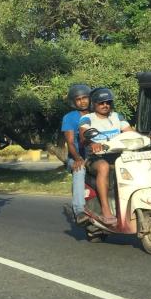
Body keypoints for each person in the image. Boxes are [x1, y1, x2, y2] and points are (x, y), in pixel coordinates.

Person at [79, 87, 133, 225]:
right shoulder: (87, 118)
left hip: (118, 156)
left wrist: (146, 138)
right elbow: (83, 135)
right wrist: (92, 143)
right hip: (95, 159)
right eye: (101, 103)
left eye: (108, 102)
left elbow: (130, 132)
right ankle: (106, 209)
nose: (105, 105)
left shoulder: (117, 117)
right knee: (103, 167)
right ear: (94, 104)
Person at [62, 84, 92, 224]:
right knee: (79, 170)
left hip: (97, 156)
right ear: (74, 102)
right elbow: (70, 142)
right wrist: (78, 158)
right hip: (76, 157)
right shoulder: (69, 117)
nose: (82, 101)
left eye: (85, 98)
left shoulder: (97, 113)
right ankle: (79, 210)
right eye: (78, 99)